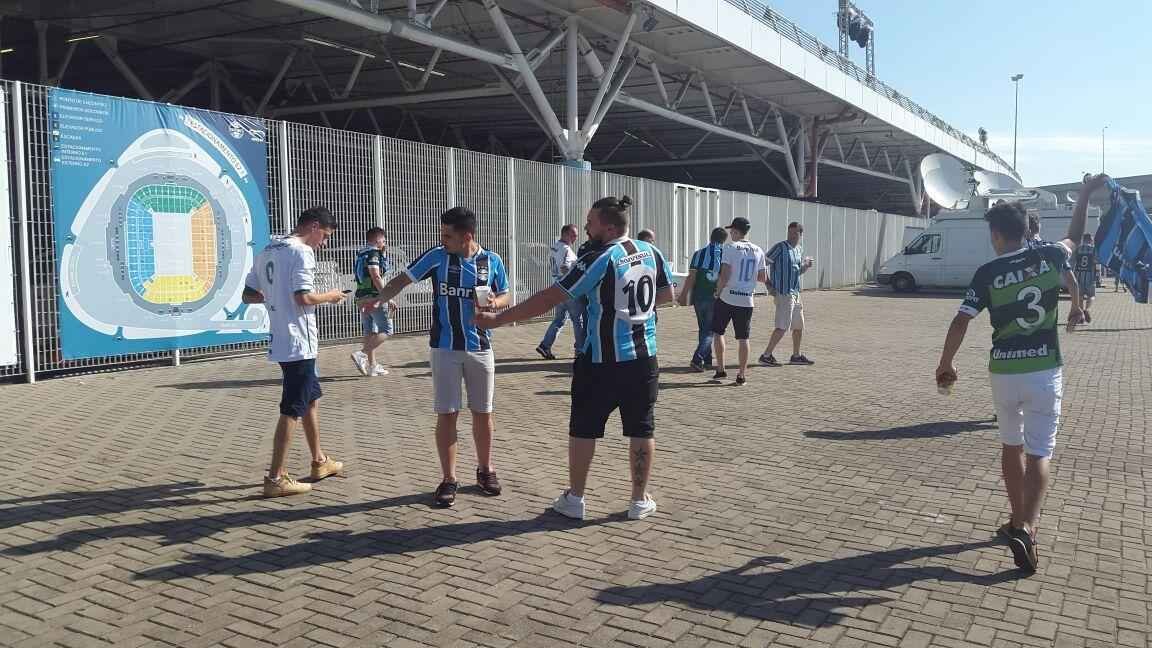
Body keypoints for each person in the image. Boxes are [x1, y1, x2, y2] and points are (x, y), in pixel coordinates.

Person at [935, 174, 1106, 573]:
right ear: (1026, 229)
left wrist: (946, 363)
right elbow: (1076, 236)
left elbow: (961, 321)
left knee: (1011, 447)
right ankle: (1028, 526)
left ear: (996, 235)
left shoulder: (988, 272)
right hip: (1044, 370)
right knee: (1040, 452)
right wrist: (1082, 193)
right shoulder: (1050, 256)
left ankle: (1016, 521)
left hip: (1004, 372)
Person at [476, 195, 674, 521]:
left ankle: (575, 499)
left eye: (591, 223)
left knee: (584, 429)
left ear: (608, 227)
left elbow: (550, 296)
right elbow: (667, 294)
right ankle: (639, 500)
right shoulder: (651, 251)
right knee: (642, 428)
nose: (585, 228)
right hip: (644, 358)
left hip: (600, 362)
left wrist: (498, 319)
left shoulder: (601, 257)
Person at [372, 207, 510, 507]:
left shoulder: (492, 260)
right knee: (447, 412)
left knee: (483, 412)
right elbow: (402, 280)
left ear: (467, 237)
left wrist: (495, 303)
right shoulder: (436, 256)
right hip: (444, 348)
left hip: (481, 347)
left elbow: (506, 294)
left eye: (448, 235)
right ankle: (449, 478)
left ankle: (486, 470)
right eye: (441, 234)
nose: (442, 240)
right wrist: (380, 299)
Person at [242, 207, 346, 498]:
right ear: (313, 227)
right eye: (324, 236)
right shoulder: (301, 252)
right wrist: (333, 295)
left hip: (281, 338)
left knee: (311, 398)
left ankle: (319, 461)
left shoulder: (267, 250)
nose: (323, 243)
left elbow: (248, 294)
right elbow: (303, 296)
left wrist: (268, 296)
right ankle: (276, 478)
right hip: (299, 341)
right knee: (292, 408)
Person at [711, 217, 766, 386]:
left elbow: (725, 274)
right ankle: (741, 374)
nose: (730, 234)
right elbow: (763, 277)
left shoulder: (730, 248)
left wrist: (717, 292)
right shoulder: (758, 250)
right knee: (743, 338)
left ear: (736, 231)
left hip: (728, 297)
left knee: (718, 332)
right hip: (746, 299)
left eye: (732, 231)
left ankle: (720, 369)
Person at [759, 222, 814, 367]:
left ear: (801, 235)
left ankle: (795, 356)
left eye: (795, 233)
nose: (791, 236)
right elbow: (762, 264)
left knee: (798, 326)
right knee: (782, 326)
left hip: (795, 293)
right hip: (783, 293)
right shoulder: (779, 247)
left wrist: (806, 267)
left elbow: (796, 272)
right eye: (789, 233)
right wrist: (769, 285)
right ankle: (766, 355)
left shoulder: (799, 250)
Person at [678, 227, 728, 371]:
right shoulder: (725, 255)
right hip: (715, 297)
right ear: (724, 240)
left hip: (699, 297)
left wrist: (683, 295)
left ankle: (707, 360)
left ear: (711, 237)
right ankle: (697, 358)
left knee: (703, 328)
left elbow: (691, 277)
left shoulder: (698, 254)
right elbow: (724, 277)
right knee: (710, 331)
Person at [351, 227, 398, 377]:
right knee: (387, 330)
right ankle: (362, 354)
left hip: (361, 297)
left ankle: (372, 366)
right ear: (377, 239)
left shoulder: (361, 253)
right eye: (383, 240)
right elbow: (375, 275)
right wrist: (387, 296)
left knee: (370, 332)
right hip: (374, 297)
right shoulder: (373, 253)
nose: (385, 243)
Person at [536, 224, 585, 360]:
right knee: (577, 320)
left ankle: (545, 345)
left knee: (559, 319)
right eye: (573, 235)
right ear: (565, 234)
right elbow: (564, 268)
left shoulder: (554, 247)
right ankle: (580, 351)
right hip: (567, 290)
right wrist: (575, 273)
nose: (576, 237)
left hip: (557, 288)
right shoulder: (566, 250)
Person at [1073, 233, 1098, 322]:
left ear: (1083, 239)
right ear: (1090, 240)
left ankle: (1081, 315)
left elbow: (1075, 262)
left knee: (1080, 296)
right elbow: (1096, 261)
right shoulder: (1094, 249)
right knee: (1091, 296)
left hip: (1079, 275)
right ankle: (1087, 309)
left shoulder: (1078, 249)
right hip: (1090, 276)